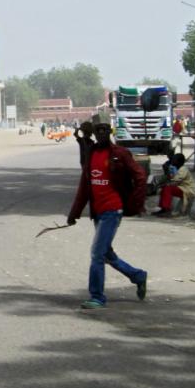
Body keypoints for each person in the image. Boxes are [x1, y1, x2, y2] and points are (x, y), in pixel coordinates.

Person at [67, 122, 148, 309]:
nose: (101, 134)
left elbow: (140, 176)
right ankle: (138, 276)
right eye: (98, 131)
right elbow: (84, 187)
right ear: (95, 134)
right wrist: (74, 213)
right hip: (97, 211)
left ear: (110, 132)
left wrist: (136, 202)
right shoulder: (91, 154)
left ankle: (97, 297)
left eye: (105, 131)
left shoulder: (119, 154)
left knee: (97, 253)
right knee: (106, 254)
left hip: (113, 210)